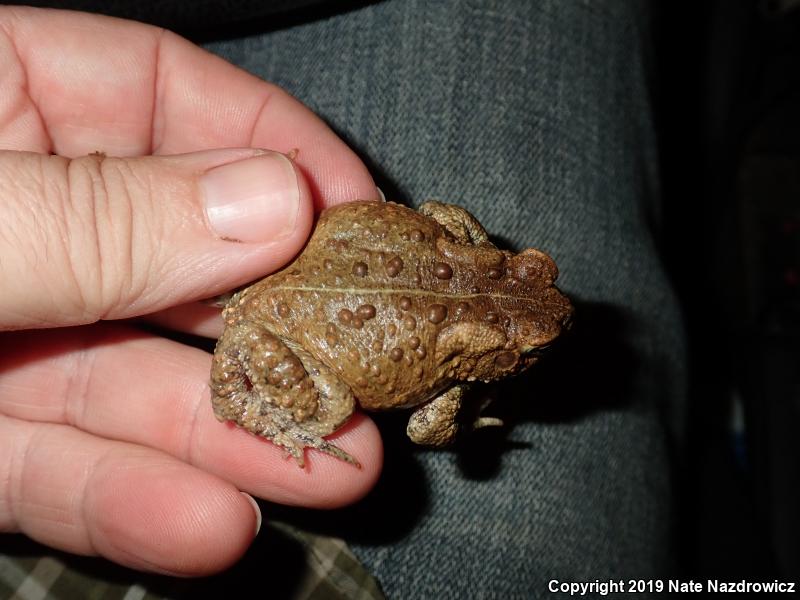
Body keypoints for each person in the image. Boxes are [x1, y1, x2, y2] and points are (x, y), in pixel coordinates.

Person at [1, 2, 685, 598]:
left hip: (311, 247)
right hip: (283, 314)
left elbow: (445, 211)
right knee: (328, 408)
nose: (551, 292)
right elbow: (423, 430)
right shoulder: (460, 360)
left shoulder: (466, 244)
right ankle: (249, 407)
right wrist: (469, 416)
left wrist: (470, 262)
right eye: (530, 343)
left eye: (535, 273)